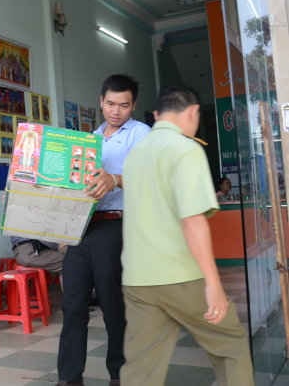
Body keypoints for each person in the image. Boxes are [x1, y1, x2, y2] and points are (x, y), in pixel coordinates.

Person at [121, 86, 253, 385]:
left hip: (138, 278)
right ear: (192, 112)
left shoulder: (135, 153)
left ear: (157, 115)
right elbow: (193, 220)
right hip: (181, 275)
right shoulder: (185, 149)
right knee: (230, 345)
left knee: (141, 368)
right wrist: (214, 284)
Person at [57, 74, 150, 386]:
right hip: (83, 228)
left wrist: (117, 179)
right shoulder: (90, 139)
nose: (116, 111)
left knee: (113, 305)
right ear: (101, 101)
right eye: (110, 104)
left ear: (133, 105)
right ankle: (69, 378)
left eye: (124, 105)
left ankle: (120, 375)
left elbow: (152, 177)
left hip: (117, 225)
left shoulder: (141, 134)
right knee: (72, 304)